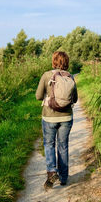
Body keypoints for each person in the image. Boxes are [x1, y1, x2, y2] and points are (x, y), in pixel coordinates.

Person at [35, 51, 78, 190]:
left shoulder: (47, 75)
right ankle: (64, 178)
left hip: (49, 117)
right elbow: (75, 99)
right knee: (63, 146)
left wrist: (50, 97)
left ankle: (52, 172)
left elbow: (38, 96)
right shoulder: (70, 76)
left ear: (53, 61)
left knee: (49, 144)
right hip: (66, 117)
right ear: (66, 62)